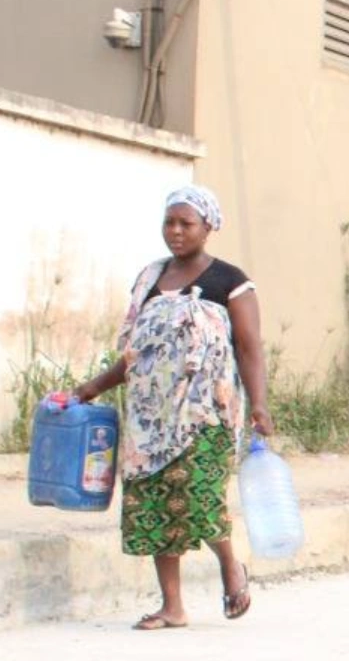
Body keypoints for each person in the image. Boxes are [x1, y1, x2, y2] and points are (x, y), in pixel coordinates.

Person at [72, 185, 273, 630]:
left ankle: (229, 565)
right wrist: (91, 388)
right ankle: (172, 606)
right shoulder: (149, 280)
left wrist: (259, 403)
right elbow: (134, 356)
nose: (176, 231)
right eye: (170, 222)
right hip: (150, 418)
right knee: (156, 503)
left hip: (206, 416)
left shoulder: (229, 281)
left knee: (200, 496)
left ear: (209, 227)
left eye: (187, 223)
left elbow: (249, 347)